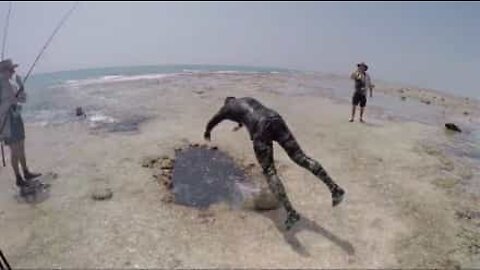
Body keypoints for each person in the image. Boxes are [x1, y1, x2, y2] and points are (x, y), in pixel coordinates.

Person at [204, 97, 345, 230]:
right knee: (300, 157)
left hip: (260, 127)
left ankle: (291, 212)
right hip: (274, 117)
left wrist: (207, 132)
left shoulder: (226, 108)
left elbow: (213, 121)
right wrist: (240, 125)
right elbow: (246, 115)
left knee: (270, 171)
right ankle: (335, 188)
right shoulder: (247, 100)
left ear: (226, 103)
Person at [0, 59, 41, 188]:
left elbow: (23, 99)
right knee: (14, 150)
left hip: (17, 118)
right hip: (7, 121)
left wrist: (21, 86)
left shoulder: (12, 84)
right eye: (11, 69)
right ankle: (18, 178)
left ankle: (26, 172)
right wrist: (9, 102)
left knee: (21, 147)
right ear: (4, 71)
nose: (13, 71)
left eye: (13, 69)